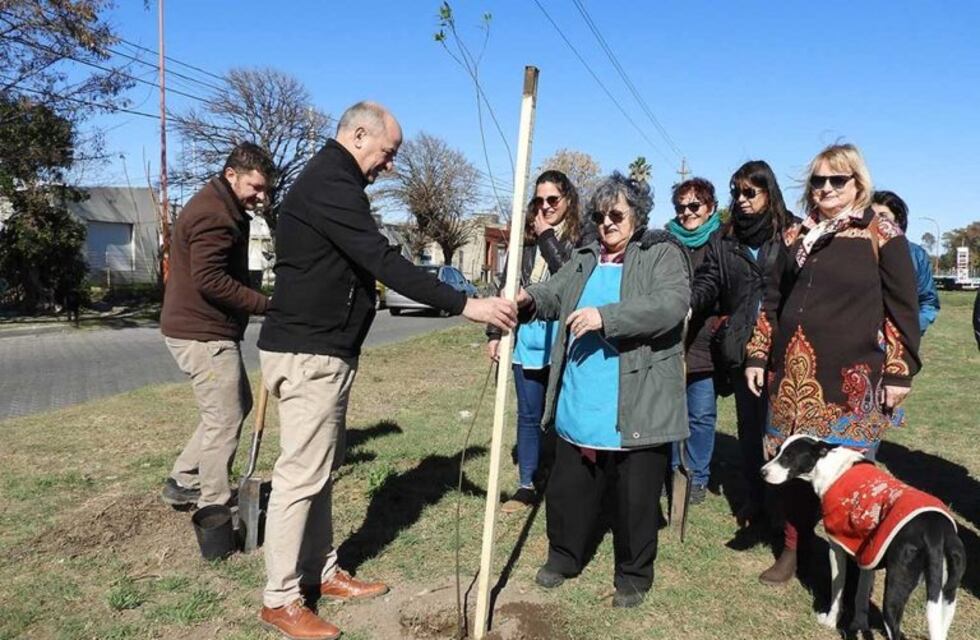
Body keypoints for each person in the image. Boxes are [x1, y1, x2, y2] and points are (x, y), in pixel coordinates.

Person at [255, 101, 517, 640]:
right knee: (300, 476)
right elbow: (385, 262)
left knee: (320, 471)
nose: (389, 165)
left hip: (324, 352)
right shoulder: (331, 183)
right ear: (357, 135)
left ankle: (320, 571)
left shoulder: (335, 183)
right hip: (310, 354)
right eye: (387, 152)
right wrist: (469, 306)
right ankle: (280, 599)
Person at [744, 143, 921, 585]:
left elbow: (902, 307)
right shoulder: (793, 236)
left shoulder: (882, 234)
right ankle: (793, 550)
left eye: (836, 180)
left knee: (849, 479)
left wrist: (899, 371)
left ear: (857, 184)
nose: (825, 188)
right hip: (793, 376)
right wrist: (758, 353)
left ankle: (856, 565)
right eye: (818, 180)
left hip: (853, 379)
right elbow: (772, 301)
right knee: (792, 470)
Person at [518, 172, 690, 608]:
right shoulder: (584, 257)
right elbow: (555, 292)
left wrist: (605, 317)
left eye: (617, 214)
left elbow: (670, 306)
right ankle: (564, 555)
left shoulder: (661, 254)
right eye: (599, 215)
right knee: (569, 488)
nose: (607, 223)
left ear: (637, 215)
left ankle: (633, 574)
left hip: (637, 398)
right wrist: (528, 301)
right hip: (582, 397)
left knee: (635, 496)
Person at [159, 142, 275, 509]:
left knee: (234, 405)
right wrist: (265, 305)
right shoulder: (215, 214)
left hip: (201, 329)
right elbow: (210, 279)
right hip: (203, 334)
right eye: (255, 187)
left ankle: (184, 478)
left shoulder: (218, 204)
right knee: (224, 418)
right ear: (231, 175)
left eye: (265, 188)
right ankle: (214, 503)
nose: (261, 196)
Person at [689, 161, 794, 525]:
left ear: (769, 192)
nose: (742, 200)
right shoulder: (724, 238)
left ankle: (787, 509)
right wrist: (688, 303)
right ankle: (755, 499)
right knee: (750, 432)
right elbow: (709, 280)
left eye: (751, 192)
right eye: (736, 192)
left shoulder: (791, 233)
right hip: (741, 348)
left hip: (785, 350)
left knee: (781, 431)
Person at [486, 170, 583, 513]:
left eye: (552, 200)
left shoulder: (580, 240)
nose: (545, 207)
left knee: (558, 414)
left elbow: (571, 280)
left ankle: (559, 479)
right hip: (526, 336)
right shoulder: (523, 241)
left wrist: (547, 237)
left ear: (567, 201)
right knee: (528, 414)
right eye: (538, 201)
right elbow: (504, 286)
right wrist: (495, 334)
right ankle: (526, 484)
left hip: (563, 338)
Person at [665, 177, 723, 505]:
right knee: (673, 411)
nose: (687, 213)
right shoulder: (667, 240)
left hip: (703, 339)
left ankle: (698, 476)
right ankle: (675, 471)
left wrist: (688, 303)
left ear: (710, 207)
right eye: (680, 207)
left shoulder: (720, 240)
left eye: (694, 206)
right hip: (670, 340)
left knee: (700, 414)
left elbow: (714, 281)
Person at [871, 190, 940, 334]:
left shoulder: (916, 255)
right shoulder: (857, 252)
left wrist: (912, 328)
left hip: (901, 340)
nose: (877, 221)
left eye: (883, 216)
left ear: (897, 219)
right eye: (872, 215)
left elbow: (928, 301)